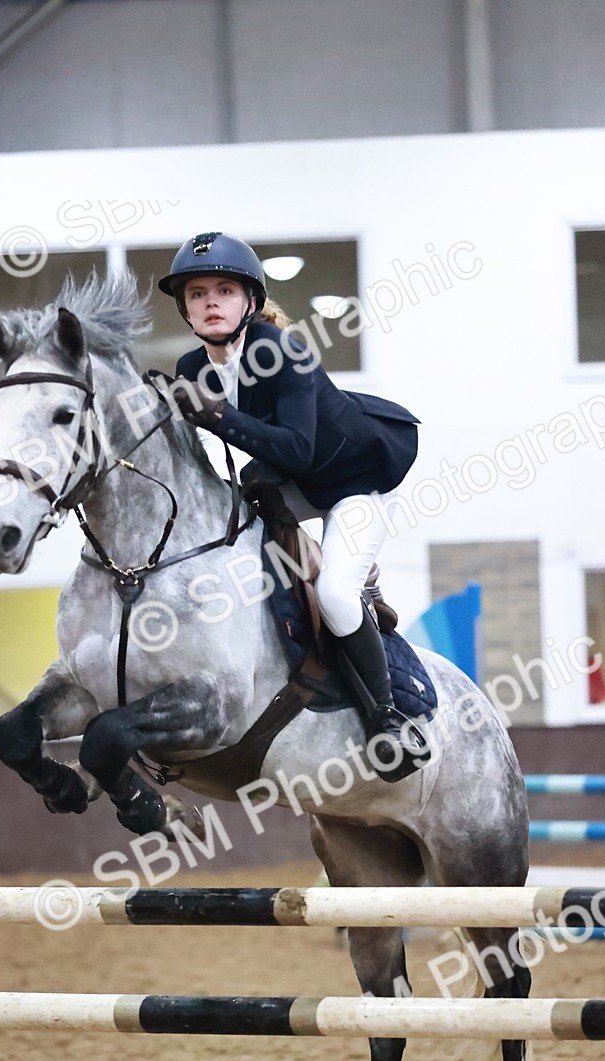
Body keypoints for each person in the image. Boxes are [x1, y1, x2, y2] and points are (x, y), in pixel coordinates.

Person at [158, 231, 424, 781]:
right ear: (184, 308)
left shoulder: (281, 350)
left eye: (224, 290)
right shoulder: (192, 366)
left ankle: (386, 717)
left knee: (333, 593)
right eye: (197, 292)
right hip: (290, 482)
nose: (210, 301)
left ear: (250, 302)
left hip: (353, 482)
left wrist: (214, 416)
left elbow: (299, 448)